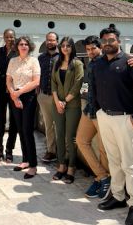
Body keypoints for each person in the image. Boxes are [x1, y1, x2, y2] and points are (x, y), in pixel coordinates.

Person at [93, 27, 133, 225]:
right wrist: (99, 111)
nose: (107, 43)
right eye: (104, 41)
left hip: (126, 120)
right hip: (105, 117)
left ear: (118, 40)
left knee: (129, 164)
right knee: (114, 161)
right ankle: (117, 197)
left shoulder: (131, 62)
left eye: (111, 40)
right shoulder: (98, 63)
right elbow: (94, 87)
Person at [76, 35, 133, 199]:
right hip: (91, 109)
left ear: (101, 47)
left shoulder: (108, 60)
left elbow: (127, 64)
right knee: (81, 140)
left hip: (105, 112)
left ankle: (109, 185)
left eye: (94, 48)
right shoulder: (93, 63)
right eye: (88, 50)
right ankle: (102, 176)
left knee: (105, 150)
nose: (91, 52)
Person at [6, 36, 40, 179]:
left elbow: (36, 82)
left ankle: (33, 165)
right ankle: (25, 160)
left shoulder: (34, 61)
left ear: (29, 46)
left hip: (28, 97)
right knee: (20, 129)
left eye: (26, 44)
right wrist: (14, 95)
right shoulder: (13, 61)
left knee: (27, 130)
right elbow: (8, 80)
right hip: (14, 96)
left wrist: (19, 93)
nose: (23, 46)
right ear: (17, 46)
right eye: (21, 44)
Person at [51, 37, 83, 184]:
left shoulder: (77, 63)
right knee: (59, 136)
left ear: (72, 48)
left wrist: (65, 101)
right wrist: (57, 101)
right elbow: (53, 84)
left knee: (70, 138)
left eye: (68, 46)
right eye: (63, 45)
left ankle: (71, 167)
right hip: (57, 104)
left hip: (72, 105)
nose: (65, 48)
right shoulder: (57, 63)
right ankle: (61, 166)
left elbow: (77, 84)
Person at [0, 28, 18, 162]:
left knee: (14, 121)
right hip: (1, 89)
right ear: (4, 38)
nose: (10, 39)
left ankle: (9, 149)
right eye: (7, 37)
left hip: (14, 90)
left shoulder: (18, 52)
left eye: (12, 37)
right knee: (0, 120)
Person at [38, 32, 59, 163]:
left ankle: (62, 152)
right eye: (48, 40)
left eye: (52, 40)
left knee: (60, 125)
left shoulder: (63, 57)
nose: (50, 42)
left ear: (57, 41)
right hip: (44, 95)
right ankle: (51, 151)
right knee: (48, 125)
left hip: (58, 97)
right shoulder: (41, 58)